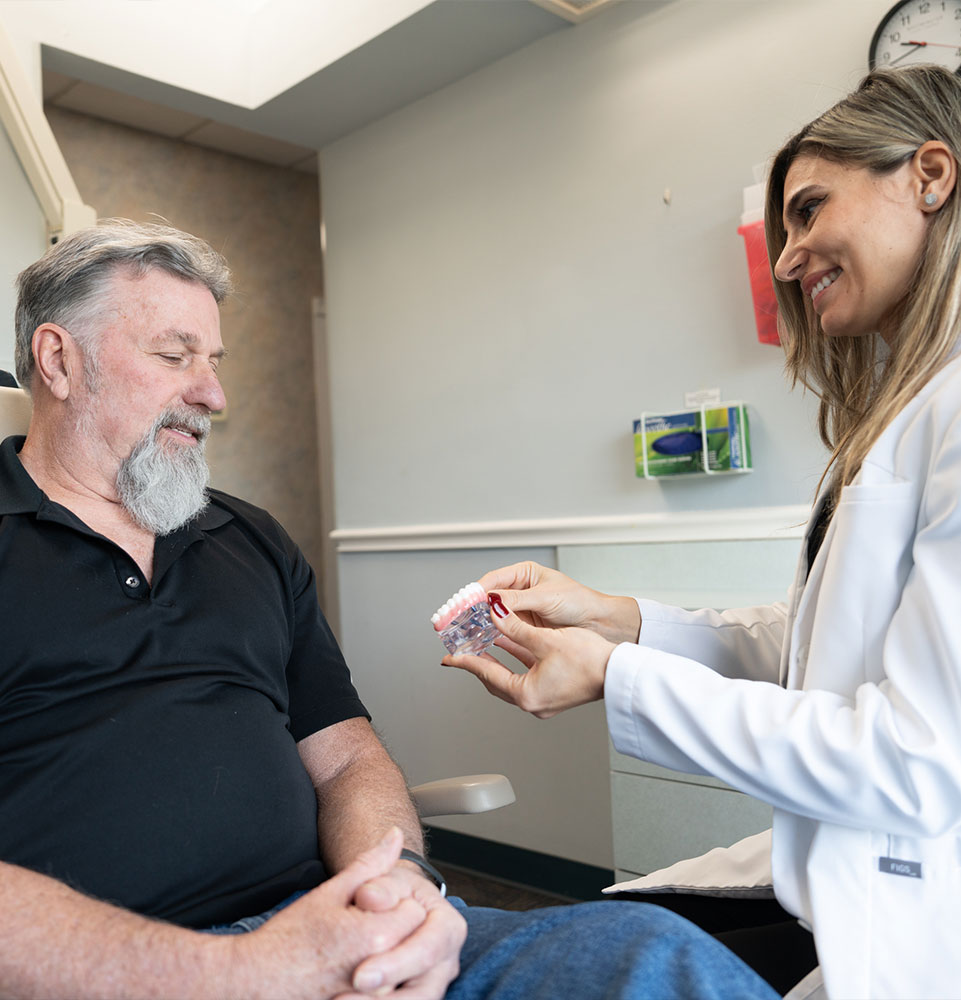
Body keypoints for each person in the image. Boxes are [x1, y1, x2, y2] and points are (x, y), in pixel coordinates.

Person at [0, 219, 779, 999]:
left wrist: (402, 884)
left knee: (648, 955)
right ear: (60, 360)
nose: (214, 394)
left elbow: (345, 759)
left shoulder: (249, 541)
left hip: (342, 924)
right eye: (175, 356)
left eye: (213, 361)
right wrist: (235, 973)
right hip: (122, 974)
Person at [445, 64, 961, 1000]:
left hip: (914, 919)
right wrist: (621, 620)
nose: (785, 258)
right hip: (835, 877)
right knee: (576, 942)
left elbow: (911, 758)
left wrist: (616, 676)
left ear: (930, 174)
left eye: (808, 211)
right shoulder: (911, 412)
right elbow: (820, 645)